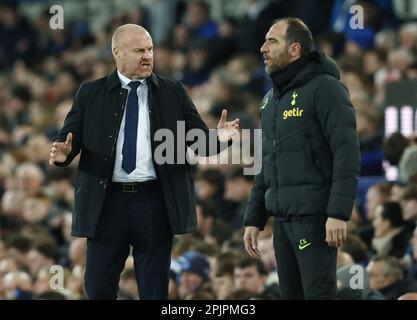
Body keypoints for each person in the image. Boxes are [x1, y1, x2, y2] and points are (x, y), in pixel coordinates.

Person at [49, 24, 239, 300]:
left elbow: (198, 142)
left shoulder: (173, 91)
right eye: (139, 50)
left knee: (154, 291)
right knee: (98, 288)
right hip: (106, 203)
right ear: (117, 53)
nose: (148, 56)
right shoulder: (90, 93)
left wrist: (220, 138)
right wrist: (65, 155)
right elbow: (69, 138)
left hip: (154, 202)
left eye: (150, 49)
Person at [243, 18, 361, 299]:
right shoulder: (270, 100)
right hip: (282, 221)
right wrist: (254, 218)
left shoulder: (326, 89)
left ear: (295, 49)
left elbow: (347, 152)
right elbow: (266, 162)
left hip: (316, 219)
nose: (263, 48)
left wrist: (337, 213)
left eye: (272, 41)